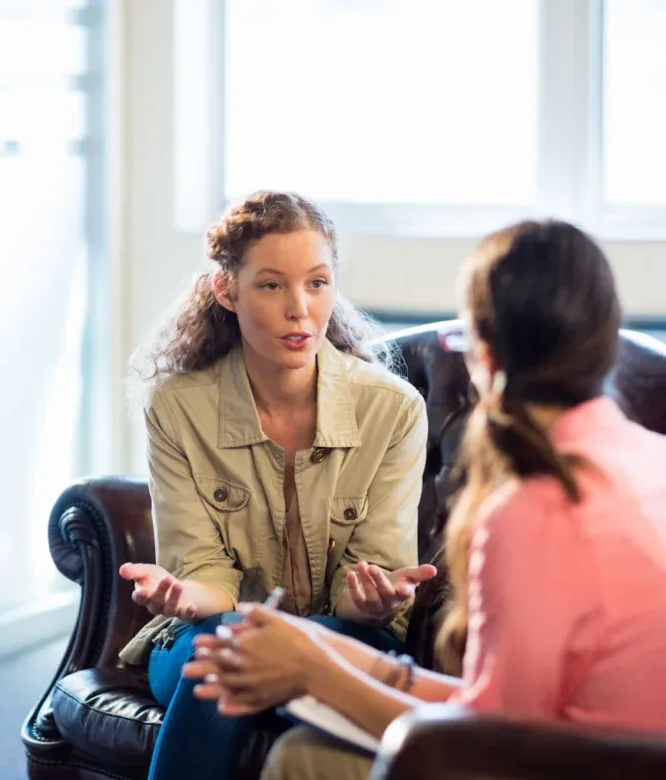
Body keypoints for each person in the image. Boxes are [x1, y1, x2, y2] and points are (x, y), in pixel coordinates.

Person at [185, 219, 666, 780]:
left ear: (487, 357)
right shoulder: (664, 460)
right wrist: (329, 652)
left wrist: (314, 672)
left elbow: (487, 743)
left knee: (300, 757)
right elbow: (505, 708)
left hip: (614, 764)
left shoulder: (535, 510)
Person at [116, 191, 435, 780]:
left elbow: (370, 582)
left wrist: (370, 598)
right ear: (226, 291)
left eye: (317, 283)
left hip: (344, 633)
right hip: (206, 630)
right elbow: (204, 571)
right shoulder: (178, 407)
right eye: (271, 285)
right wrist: (187, 597)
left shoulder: (393, 409)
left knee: (266, 654)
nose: (300, 309)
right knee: (231, 646)